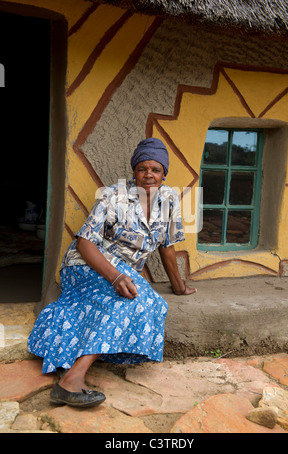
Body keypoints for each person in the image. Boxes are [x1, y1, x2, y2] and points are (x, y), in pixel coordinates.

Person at [28, 137, 196, 408]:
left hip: (123, 272)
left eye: (155, 169)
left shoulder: (169, 200)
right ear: (134, 171)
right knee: (136, 301)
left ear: (165, 173)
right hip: (85, 264)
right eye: (143, 169)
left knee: (149, 303)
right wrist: (115, 277)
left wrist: (178, 286)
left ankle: (70, 362)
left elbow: (167, 246)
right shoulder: (112, 196)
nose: (149, 175)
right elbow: (84, 243)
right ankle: (72, 380)